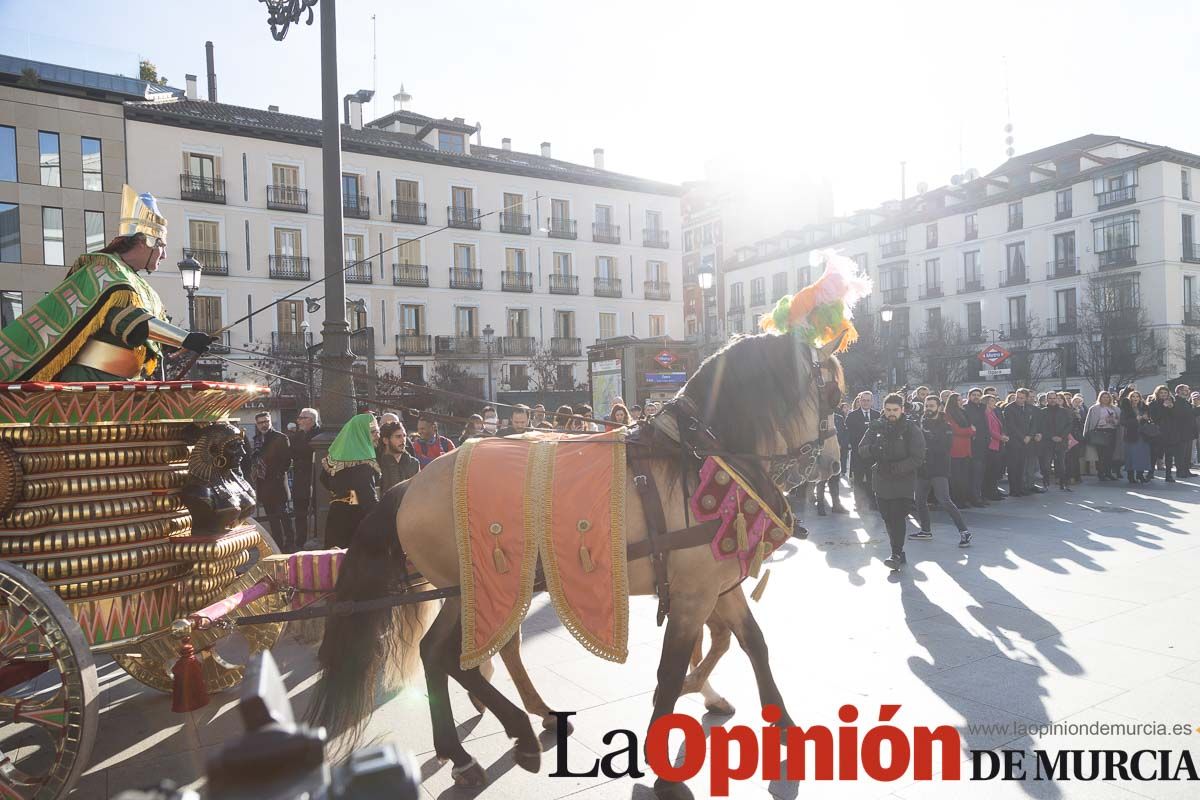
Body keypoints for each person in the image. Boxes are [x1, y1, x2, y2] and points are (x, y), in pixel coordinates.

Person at [0, 185, 214, 382]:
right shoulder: (104, 271)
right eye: (162, 245)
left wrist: (183, 342)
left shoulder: (137, 282)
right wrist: (184, 338)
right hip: (91, 380)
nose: (165, 255)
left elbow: (147, 334)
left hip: (124, 381)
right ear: (143, 241)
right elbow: (129, 320)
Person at [858, 393, 926, 570]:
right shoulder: (876, 426)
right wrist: (874, 449)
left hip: (903, 481)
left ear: (902, 409)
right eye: (888, 410)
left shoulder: (910, 428)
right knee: (887, 517)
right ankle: (898, 551)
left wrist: (897, 468)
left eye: (895, 410)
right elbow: (861, 449)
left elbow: (918, 457)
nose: (891, 413)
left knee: (897, 517)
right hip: (881, 479)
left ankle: (895, 553)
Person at [911, 396, 971, 547]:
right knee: (919, 500)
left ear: (939, 407)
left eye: (931, 406)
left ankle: (964, 532)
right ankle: (925, 531)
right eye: (926, 406)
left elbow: (945, 448)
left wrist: (927, 442)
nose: (928, 408)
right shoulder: (921, 422)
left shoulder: (946, 426)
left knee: (944, 500)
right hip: (923, 468)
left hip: (939, 468)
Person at [320, 413, 381, 549]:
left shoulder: (336, 455)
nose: (378, 436)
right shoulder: (363, 463)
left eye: (378, 431)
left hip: (335, 517)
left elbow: (323, 478)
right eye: (373, 432)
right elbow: (368, 499)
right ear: (361, 433)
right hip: (355, 522)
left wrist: (344, 494)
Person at [250, 412, 296, 551]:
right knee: (272, 517)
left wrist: (278, 474)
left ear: (270, 422)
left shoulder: (280, 437)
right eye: (260, 422)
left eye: (266, 421)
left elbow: (287, 460)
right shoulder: (257, 439)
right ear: (257, 424)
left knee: (283, 514)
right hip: (263, 484)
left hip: (277, 483)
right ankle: (278, 544)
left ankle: (290, 542)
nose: (264, 424)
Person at [289, 407, 321, 550]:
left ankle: (316, 538)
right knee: (300, 512)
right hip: (300, 479)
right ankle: (300, 540)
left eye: (302, 418)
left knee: (317, 510)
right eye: (299, 418)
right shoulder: (297, 436)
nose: (299, 421)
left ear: (311, 420)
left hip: (314, 479)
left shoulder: (319, 434)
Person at [845, 391, 880, 509]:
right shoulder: (852, 416)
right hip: (858, 452)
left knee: (872, 479)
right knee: (858, 479)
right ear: (859, 401)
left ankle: (873, 502)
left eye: (868, 400)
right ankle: (859, 503)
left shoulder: (877, 415)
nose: (866, 402)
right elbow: (851, 434)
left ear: (872, 402)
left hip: (872, 453)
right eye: (863, 400)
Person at [944, 393, 977, 507]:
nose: (961, 401)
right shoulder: (948, 414)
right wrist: (971, 431)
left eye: (961, 400)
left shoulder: (962, 412)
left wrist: (970, 430)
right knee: (956, 477)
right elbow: (956, 430)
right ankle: (957, 500)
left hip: (966, 448)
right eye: (958, 400)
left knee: (964, 476)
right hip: (956, 449)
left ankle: (963, 499)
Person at [1040, 391, 1075, 491]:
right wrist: (1051, 436)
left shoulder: (1064, 411)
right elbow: (1041, 427)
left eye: (1054, 398)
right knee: (1046, 464)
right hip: (1047, 441)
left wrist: (1062, 436)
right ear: (1047, 399)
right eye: (1050, 398)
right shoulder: (1042, 412)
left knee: (1061, 464)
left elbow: (1069, 424)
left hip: (1061, 440)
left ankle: (1063, 483)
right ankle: (1046, 483)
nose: (1052, 400)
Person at [1084, 391, 1121, 480]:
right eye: (1103, 397)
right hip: (1100, 432)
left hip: (1112, 431)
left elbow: (1119, 422)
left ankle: (1108, 472)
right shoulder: (1095, 408)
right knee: (1101, 455)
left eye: (1107, 397)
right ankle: (1101, 473)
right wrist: (1105, 420)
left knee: (1110, 454)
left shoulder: (1115, 409)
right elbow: (1091, 422)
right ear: (1100, 398)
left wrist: (1113, 421)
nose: (1105, 399)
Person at [1120, 388, 1153, 484]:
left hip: (1143, 434)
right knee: (1131, 455)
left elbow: (1149, 419)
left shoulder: (1144, 407)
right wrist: (1136, 420)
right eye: (1133, 396)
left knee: (1142, 455)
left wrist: (1146, 418)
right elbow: (1123, 422)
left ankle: (1140, 474)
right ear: (1130, 398)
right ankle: (1131, 476)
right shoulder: (1126, 409)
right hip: (1131, 434)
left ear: (1140, 398)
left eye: (1137, 396)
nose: (1135, 398)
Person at [964, 388, 990, 504]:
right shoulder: (966, 408)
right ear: (969, 396)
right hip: (973, 445)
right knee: (974, 473)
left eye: (978, 395)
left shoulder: (981, 408)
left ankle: (979, 495)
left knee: (981, 473)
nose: (976, 397)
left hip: (983, 444)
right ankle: (974, 498)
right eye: (973, 395)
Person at [378, 420, 420, 491]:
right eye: (398, 436)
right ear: (386, 440)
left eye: (404, 436)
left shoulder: (413, 463)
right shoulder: (377, 464)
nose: (403, 440)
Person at [981, 394, 1008, 500]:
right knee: (990, 471)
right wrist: (1001, 437)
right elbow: (989, 430)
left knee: (994, 470)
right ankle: (989, 493)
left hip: (997, 444)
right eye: (992, 401)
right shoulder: (986, 414)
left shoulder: (992, 413)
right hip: (991, 445)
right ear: (987, 402)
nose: (995, 402)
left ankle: (994, 491)